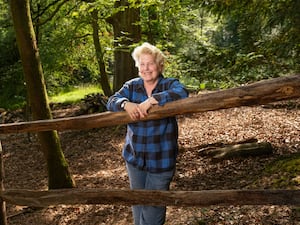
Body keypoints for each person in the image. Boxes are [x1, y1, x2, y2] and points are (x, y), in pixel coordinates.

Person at [106, 42, 189, 225]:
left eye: (150, 63)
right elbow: (112, 101)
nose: (146, 68)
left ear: (159, 65)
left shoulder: (169, 84)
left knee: (153, 208)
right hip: (134, 158)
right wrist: (125, 104)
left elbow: (183, 93)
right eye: (142, 64)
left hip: (161, 159)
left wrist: (153, 100)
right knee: (138, 203)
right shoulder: (132, 86)